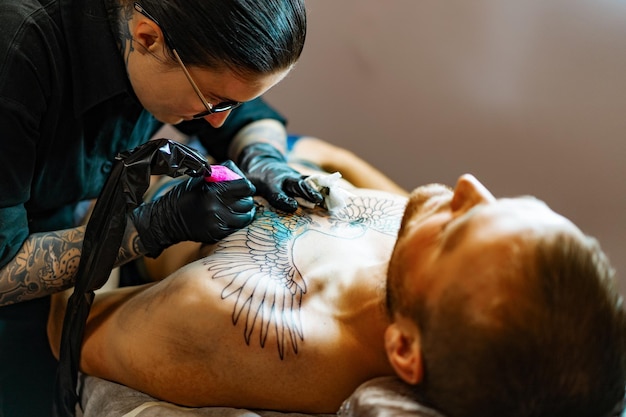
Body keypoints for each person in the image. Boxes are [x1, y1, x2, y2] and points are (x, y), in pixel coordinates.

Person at [47, 169, 626, 417]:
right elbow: (333, 157)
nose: (470, 185)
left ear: (405, 351)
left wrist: (126, 225)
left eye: (459, 227)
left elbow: (67, 331)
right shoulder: (428, 250)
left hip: (100, 195)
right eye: (501, 204)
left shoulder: (228, 316)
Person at [0, 0, 323, 415]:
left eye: (233, 103)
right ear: (147, 37)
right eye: (214, 101)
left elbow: (249, 118)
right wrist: (150, 228)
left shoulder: (166, 37)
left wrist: (264, 158)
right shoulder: (17, 55)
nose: (218, 122)